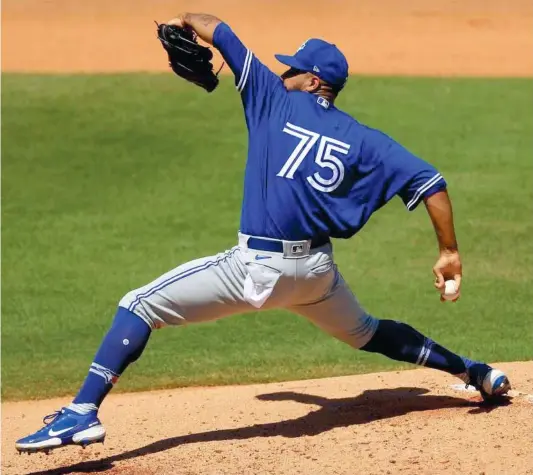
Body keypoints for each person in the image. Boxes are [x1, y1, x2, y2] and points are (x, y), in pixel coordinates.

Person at [16, 13, 510, 453]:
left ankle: (81, 412)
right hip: (316, 275)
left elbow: (214, 25)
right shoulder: (366, 140)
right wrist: (449, 252)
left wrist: (183, 24)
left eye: (293, 68)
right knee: (366, 333)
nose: (283, 73)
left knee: (139, 304)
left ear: (314, 81)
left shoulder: (271, 99)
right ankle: (475, 371)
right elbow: (431, 183)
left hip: (257, 269)